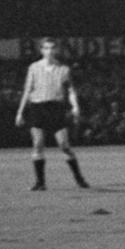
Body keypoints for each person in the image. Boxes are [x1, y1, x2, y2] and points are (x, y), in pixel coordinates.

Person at [14, 38, 90, 190]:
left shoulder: (63, 69)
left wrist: (75, 106)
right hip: (38, 107)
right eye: (46, 48)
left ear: (56, 50)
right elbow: (27, 91)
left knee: (64, 145)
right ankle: (40, 182)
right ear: (41, 50)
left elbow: (70, 90)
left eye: (52, 48)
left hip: (56, 108)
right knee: (38, 144)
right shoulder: (34, 68)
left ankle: (79, 178)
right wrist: (20, 112)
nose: (49, 51)